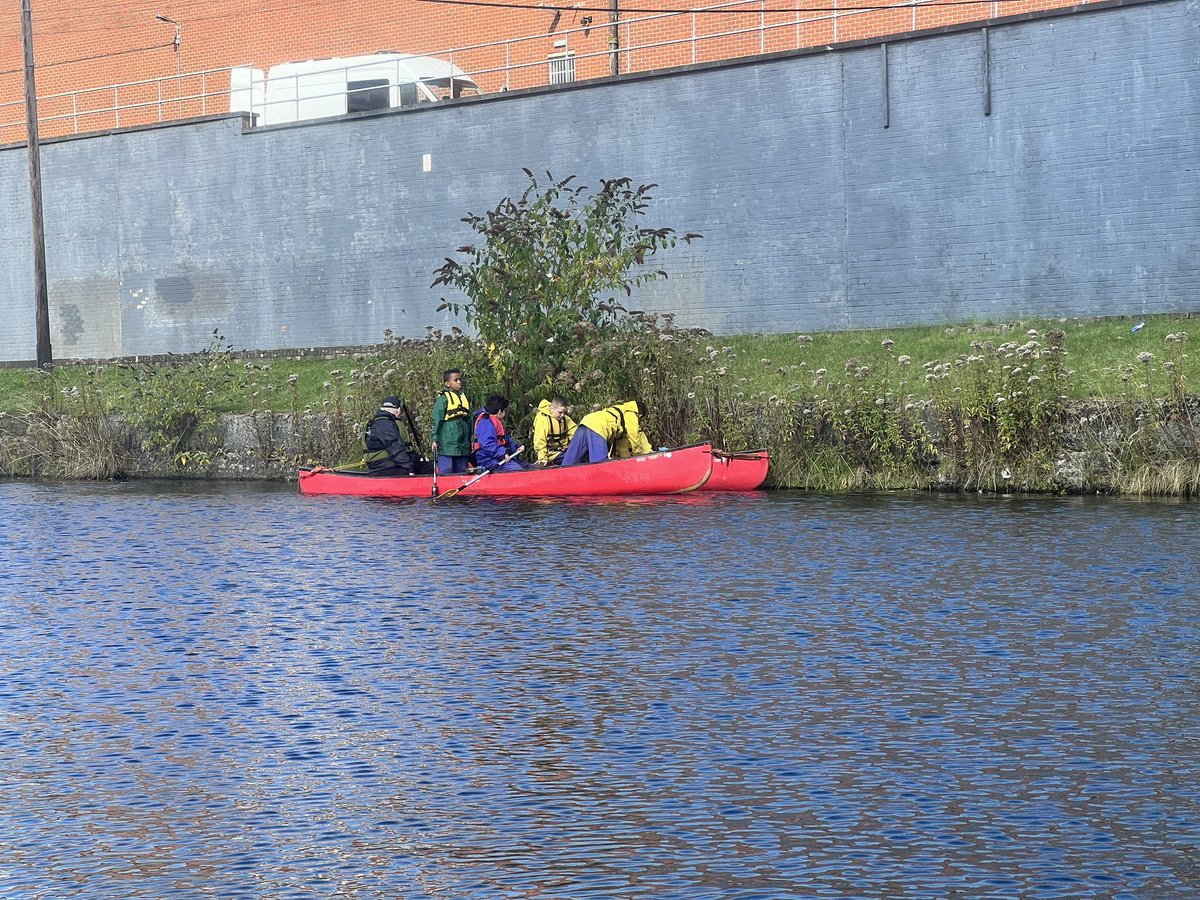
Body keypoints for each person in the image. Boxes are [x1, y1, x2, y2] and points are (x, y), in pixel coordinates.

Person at [561, 400, 652, 466]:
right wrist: (639, 456)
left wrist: (628, 464)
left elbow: (622, 450)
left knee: (569, 463)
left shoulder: (622, 413)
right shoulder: (632, 412)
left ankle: (559, 482)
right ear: (640, 415)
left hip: (585, 422)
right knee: (600, 465)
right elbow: (633, 435)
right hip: (598, 428)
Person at [362, 396, 433, 476]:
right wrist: (409, 469)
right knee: (427, 468)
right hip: (387, 467)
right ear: (398, 410)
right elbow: (396, 449)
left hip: (380, 466)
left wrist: (418, 458)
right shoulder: (386, 425)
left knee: (424, 464)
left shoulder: (375, 423)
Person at [473, 395, 530, 472]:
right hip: (488, 460)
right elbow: (487, 443)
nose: (506, 413)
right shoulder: (486, 423)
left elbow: (507, 439)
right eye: (505, 410)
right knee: (517, 470)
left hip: (499, 458)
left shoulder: (497, 422)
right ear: (500, 411)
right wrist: (502, 453)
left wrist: (517, 447)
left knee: (528, 467)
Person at [431, 368, 472, 475]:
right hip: (447, 442)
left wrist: (472, 439)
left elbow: (470, 420)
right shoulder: (443, 399)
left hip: (463, 444)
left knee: (462, 471)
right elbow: (436, 420)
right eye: (456, 380)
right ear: (447, 383)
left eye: (460, 379)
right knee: (446, 470)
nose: (459, 382)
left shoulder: (464, 399)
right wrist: (435, 439)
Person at [531, 397, 576, 466]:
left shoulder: (565, 419)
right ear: (551, 408)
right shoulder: (543, 420)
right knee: (573, 459)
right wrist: (542, 458)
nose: (563, 415)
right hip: (551, 454)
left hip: (564, 450)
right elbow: (540, 442)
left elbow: (574, 431)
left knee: (581, 455)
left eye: (564, 412)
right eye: (560, 412)